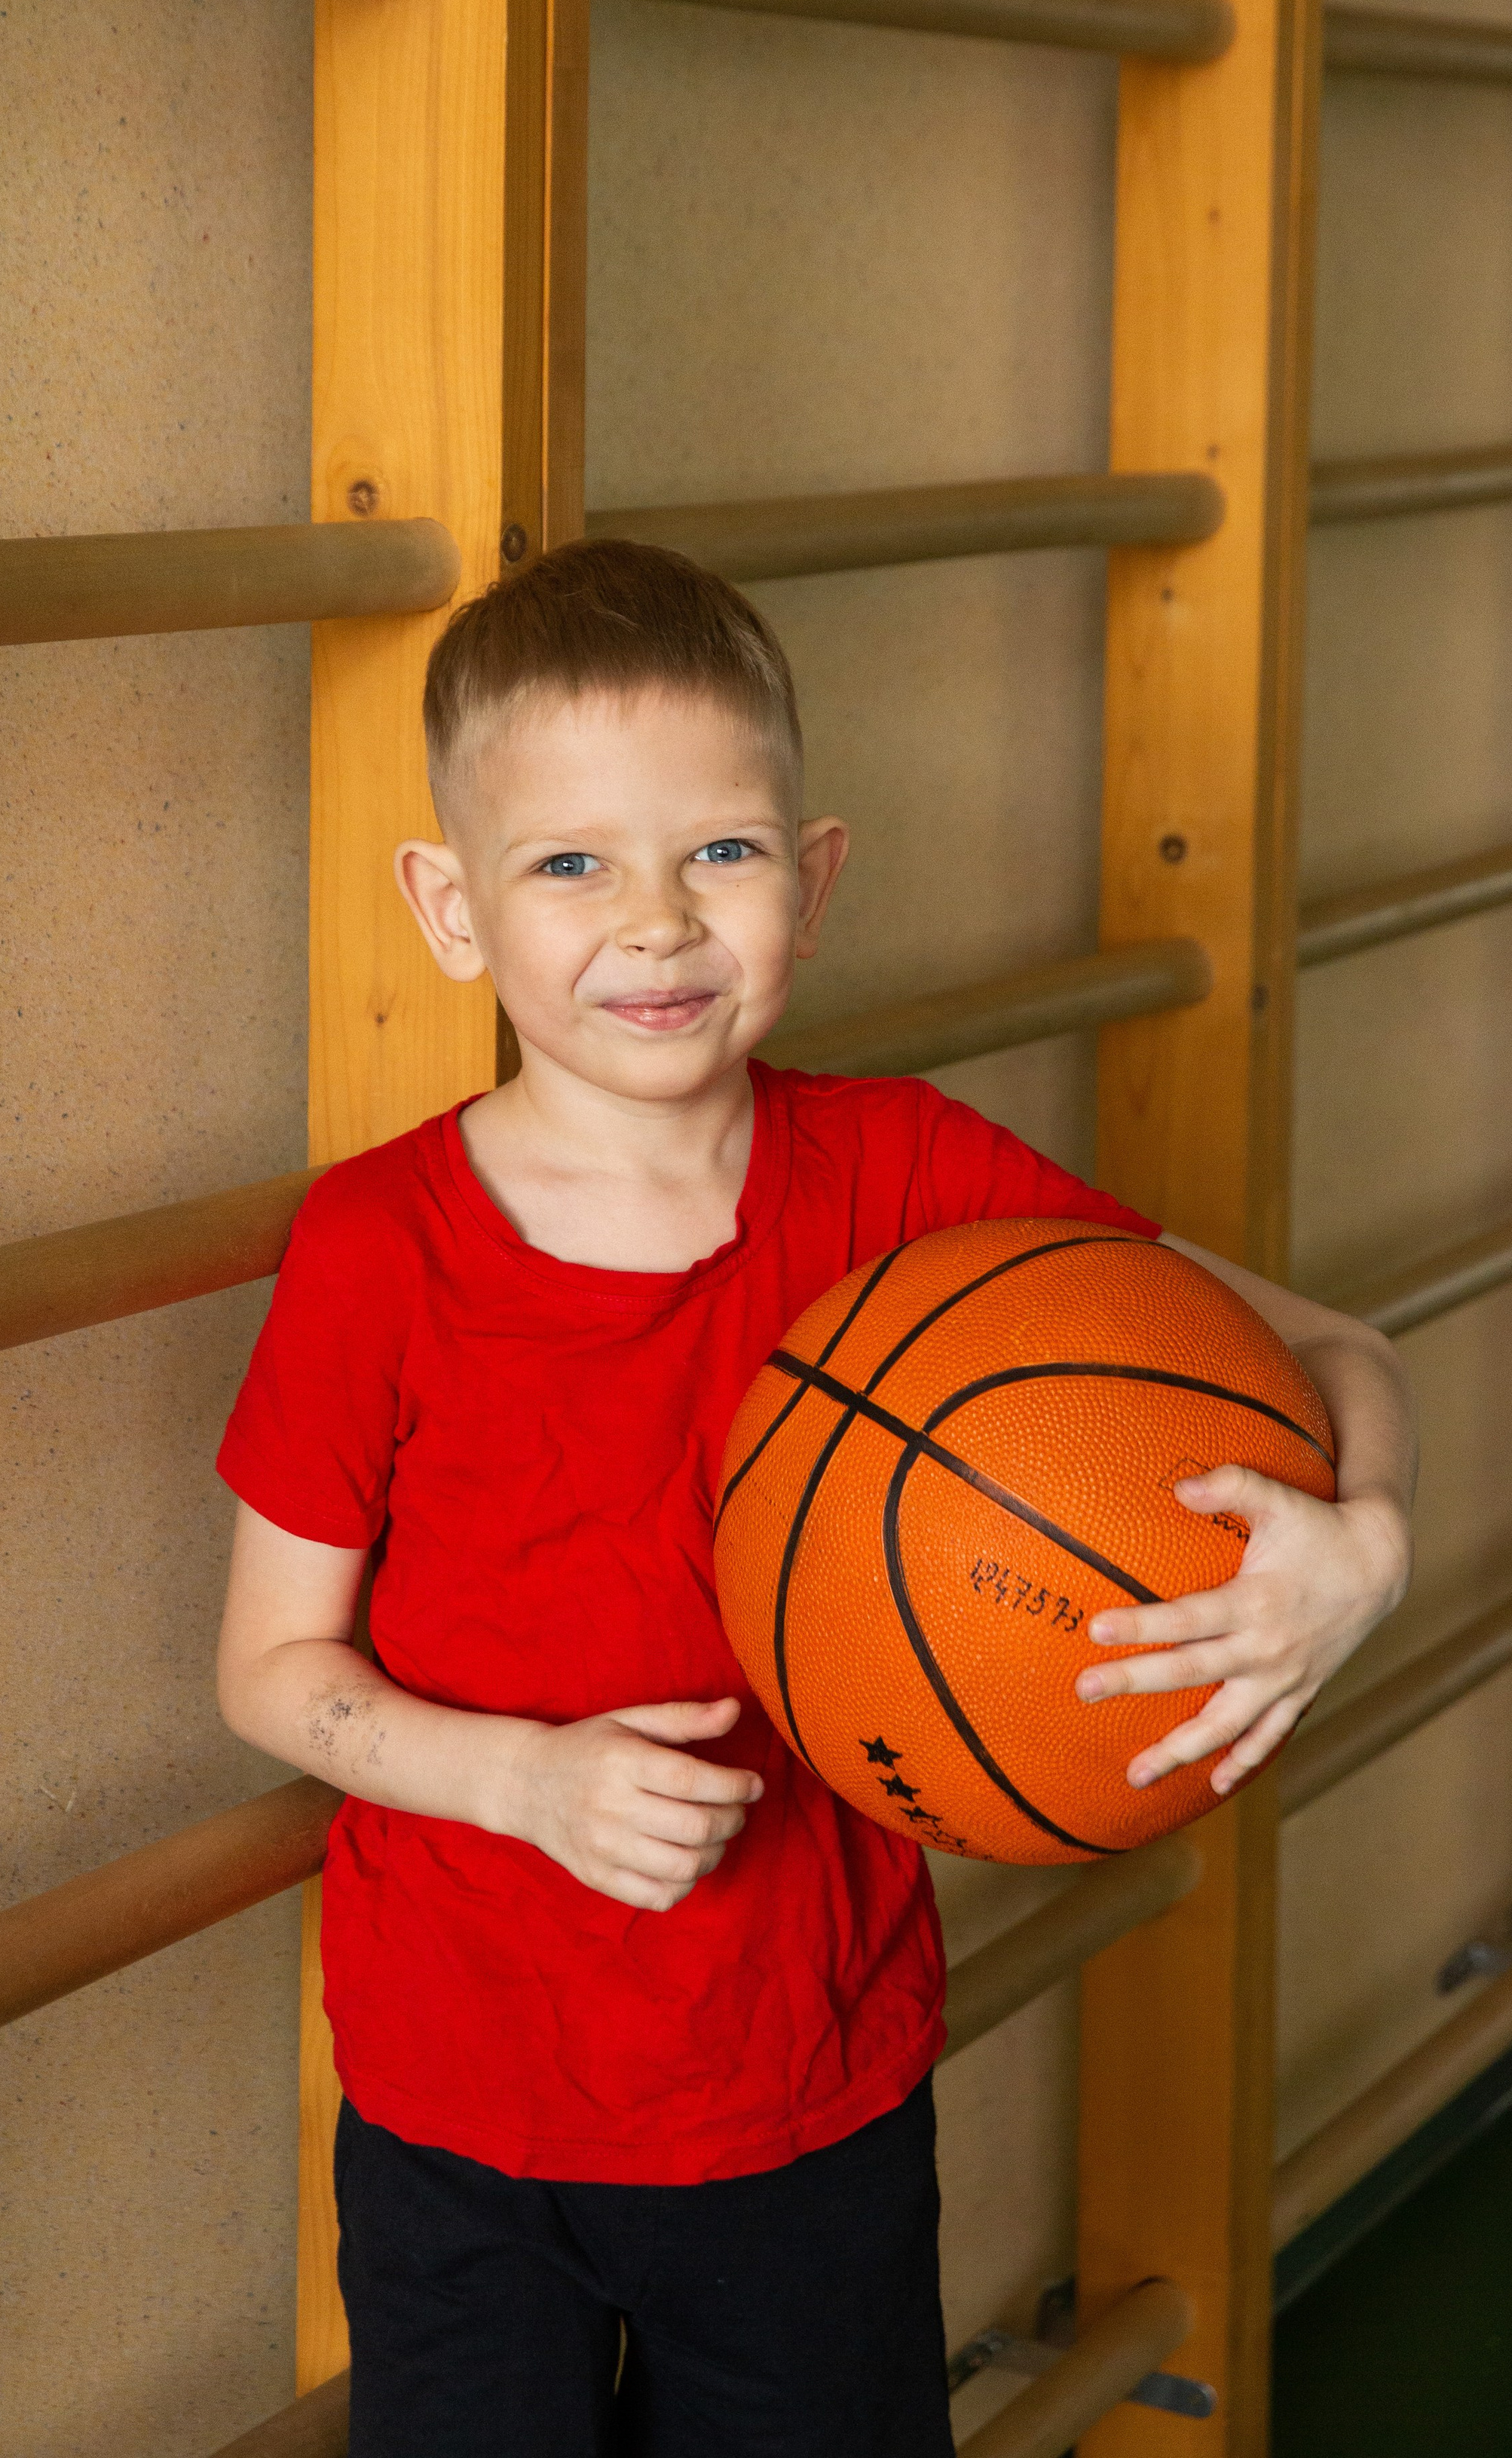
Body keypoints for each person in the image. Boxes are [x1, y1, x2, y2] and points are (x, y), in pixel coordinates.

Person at [215, 538, 1416, 2458]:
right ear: (451, 908)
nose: (657, 923)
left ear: (816, 875)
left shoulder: (913, 1175)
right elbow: (272, 1668)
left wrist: (1362, 1546)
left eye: (723, 852)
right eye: (569, 863)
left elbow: (1332, 1348)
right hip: (459, 2107)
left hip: (808, 2092)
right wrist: (519, 1780)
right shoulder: (376, 1246)